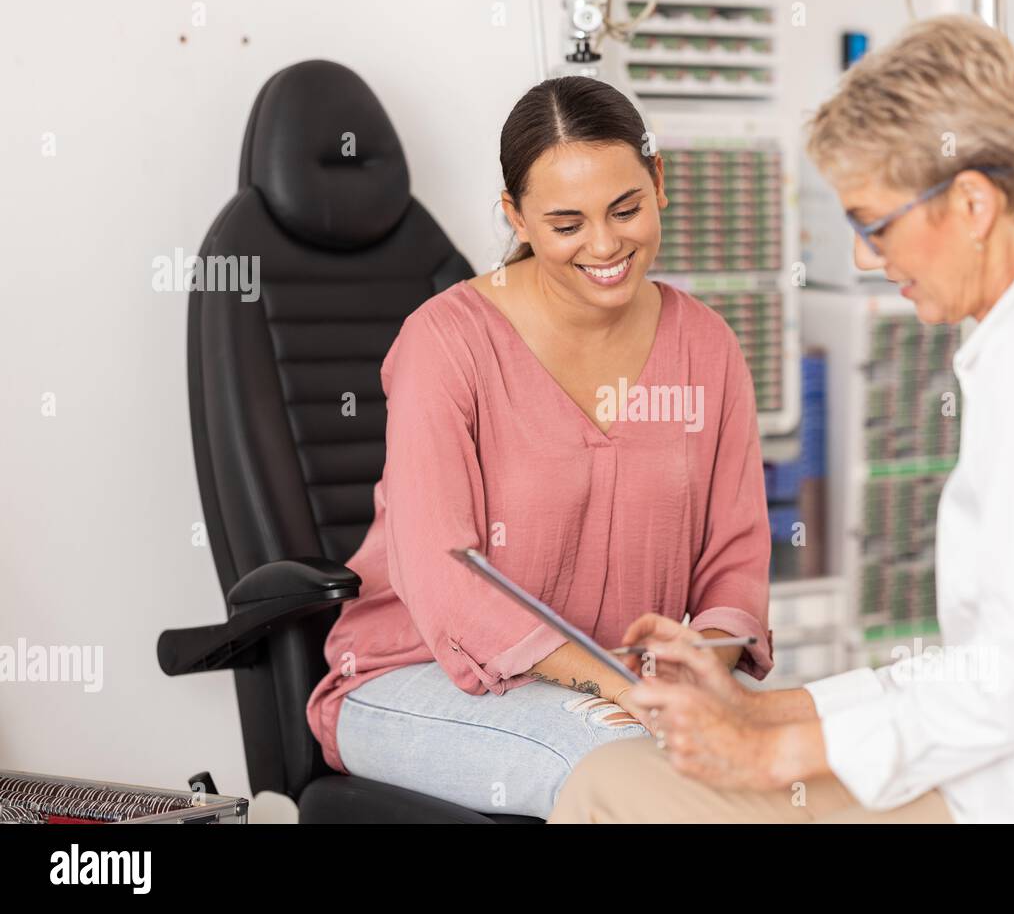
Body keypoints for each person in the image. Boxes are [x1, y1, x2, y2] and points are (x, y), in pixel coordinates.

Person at [549, 15, 1014, 824]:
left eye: (874, 223)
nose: (863, 256)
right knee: (634, 776)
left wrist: (769, 751)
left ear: (971, 203)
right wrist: (766, 710)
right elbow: (988, 665)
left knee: (609, 787)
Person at [305, 75, 774, 819]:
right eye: (566, 223)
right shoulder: (446, 342)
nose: (606, 243)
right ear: (516, 218)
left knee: (814, 749)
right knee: (634, 773)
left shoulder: (707, 347)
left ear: (659, 181)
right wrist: (620, 685)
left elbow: (734, 564)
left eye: (626, 208)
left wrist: (697, 675)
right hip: (420, 678)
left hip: (635, 684)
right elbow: (444, 573)